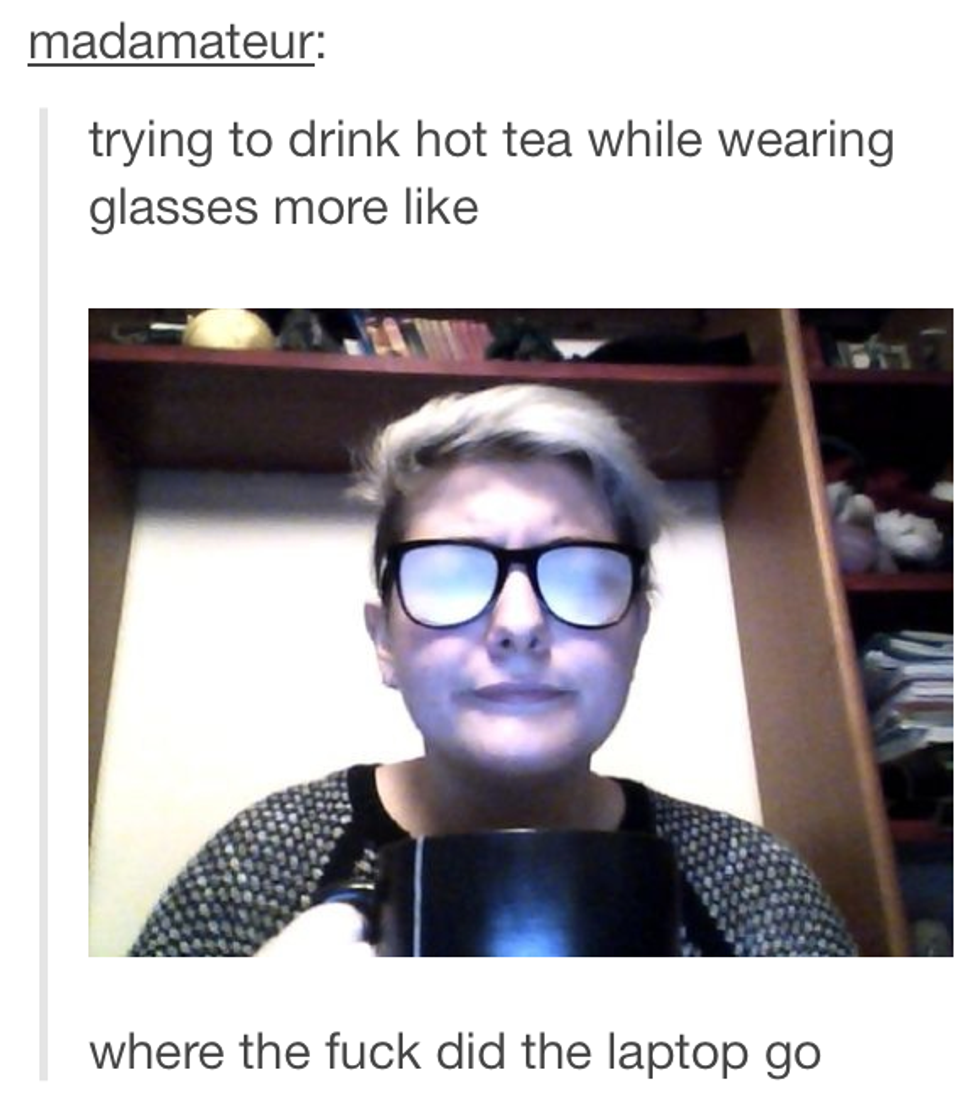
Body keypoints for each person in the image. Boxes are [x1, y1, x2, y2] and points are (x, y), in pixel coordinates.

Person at [129, 383, 857, 957]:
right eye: (451, 575)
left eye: (579, 577)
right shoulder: (264, 861)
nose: (519, 624)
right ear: (384, 641)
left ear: (637, 629)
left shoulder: (753, 884)